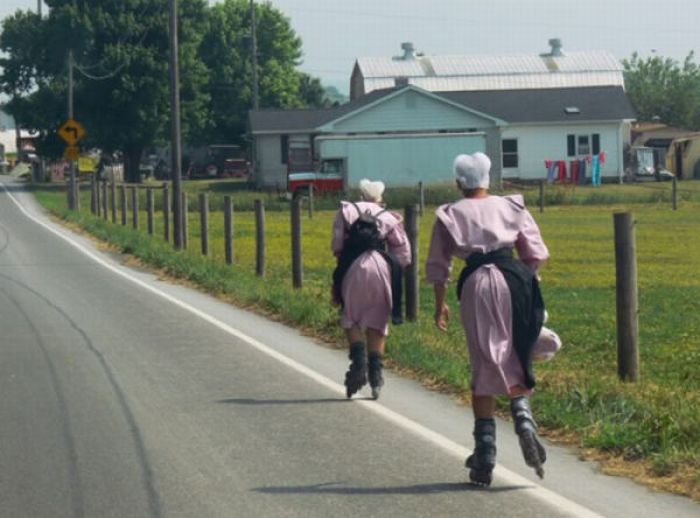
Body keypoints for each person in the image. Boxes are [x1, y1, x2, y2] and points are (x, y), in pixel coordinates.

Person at [426, 152, 560, 486]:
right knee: (516, 351)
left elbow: (439, 266)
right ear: (488, 179)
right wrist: (525, 280)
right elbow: (537, 252)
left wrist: (440, 303)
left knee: (485, 359)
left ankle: (484, 452)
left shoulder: (449, 214)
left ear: (459, 182)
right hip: (515, 277)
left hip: (475, 282)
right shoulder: (513, 207)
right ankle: (523, 416)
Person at [331, 179, 412, 399]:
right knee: (378, 322)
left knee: (350, 316)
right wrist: (393, 268)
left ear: (361, 195)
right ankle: (376, 376)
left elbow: (337, 246)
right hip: (381, 267)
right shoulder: (388, 217)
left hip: (353, 266)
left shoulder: (347, 211)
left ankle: (358, 362)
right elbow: (404, 254)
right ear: (379, 198)